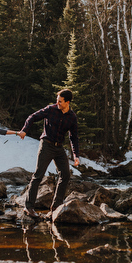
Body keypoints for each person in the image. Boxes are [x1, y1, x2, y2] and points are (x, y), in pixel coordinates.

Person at [18, 89, 80, 219]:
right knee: (38, 175)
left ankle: (56, 206)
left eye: (60, 101)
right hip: (46, 145)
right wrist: (24, 130)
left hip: (59, 148)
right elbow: (32, 117)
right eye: (57, 100)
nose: (57, 103)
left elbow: (73, 137)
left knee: (65, 175)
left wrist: (76, 155)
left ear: (67, 102)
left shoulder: (72, 117)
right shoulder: (50, 109)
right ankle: (28, 207)